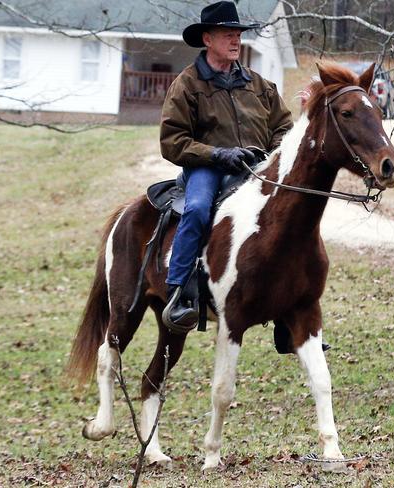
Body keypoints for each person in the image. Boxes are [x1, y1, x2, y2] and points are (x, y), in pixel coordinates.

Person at [160, 1, 293, 333]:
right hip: (206, 168)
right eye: (227, 35)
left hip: (256, 168)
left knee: (289, 216)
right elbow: (172, 141)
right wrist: (218, 155)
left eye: (237, 35)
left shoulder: (260, 85)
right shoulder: (187, 85)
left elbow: (284, 127)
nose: (235, 41)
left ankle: (290, 310)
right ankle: (179, 294)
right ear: (207, 39)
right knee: (197, 209)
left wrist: (272, 153)